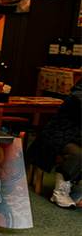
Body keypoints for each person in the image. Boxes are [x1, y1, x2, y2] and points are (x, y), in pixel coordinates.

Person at [28, 80, 82, 208]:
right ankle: (60, 192)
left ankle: (76, 190)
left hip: (74, 138)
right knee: (78, 154)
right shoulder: (78, 96)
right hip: (58, 136)